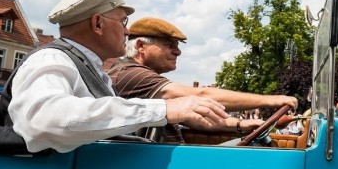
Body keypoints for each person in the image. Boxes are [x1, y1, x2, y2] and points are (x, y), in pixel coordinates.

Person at [3, 0, 229, 153]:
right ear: (98, 23)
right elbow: (44, 120)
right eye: (123, 22)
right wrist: (165, 109)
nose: (127, 31)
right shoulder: (52, 58)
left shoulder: (89, 67)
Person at [106, 17, 297, 142]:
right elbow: (201, 95)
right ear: (140, 45)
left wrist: (241, 125)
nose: (178, 51)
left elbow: (195, 119)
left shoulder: (139, 76)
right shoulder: (130, 74)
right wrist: (272, 100)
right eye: (169, 45)